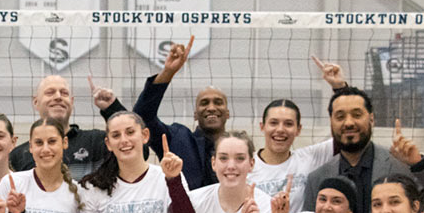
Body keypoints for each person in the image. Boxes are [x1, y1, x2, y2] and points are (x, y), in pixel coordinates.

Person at [134, 41, 347, 190]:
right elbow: (141, 117)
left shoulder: (244, 152)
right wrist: (168, 72)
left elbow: (345, 138)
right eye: (204, 103)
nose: (211, 107)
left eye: (218, 102)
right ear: (195, 114)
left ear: (228, 113)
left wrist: (340, 88)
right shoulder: (176, 139)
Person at [67, 111, 195, 213]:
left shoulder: (167, 176)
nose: (124, 140)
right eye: (116, 135)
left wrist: (173, 180)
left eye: (130, 132)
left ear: (145, 135)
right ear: (108, 144)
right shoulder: (93, 186)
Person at [10, 75, 128, 180]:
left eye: (64, 93)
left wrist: (112, 108)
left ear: (71, 102)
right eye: (50, 92)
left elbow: (140, 151)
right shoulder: (19, 155)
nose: (58, 97)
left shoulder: (96, 142)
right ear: (36, 102)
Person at [180, 131, 279, 213]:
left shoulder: (265, 207)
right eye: (223, 158)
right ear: (213, 163)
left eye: (240, 158)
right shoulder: (194, 200)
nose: (231, 166)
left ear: (251, 164)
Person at [6, 117, 80, 213]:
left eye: (52, 141)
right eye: (39, 143)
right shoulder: (13, 183)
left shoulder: (78, 191)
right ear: (30, 147)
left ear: (64, 142)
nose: (45, 149)